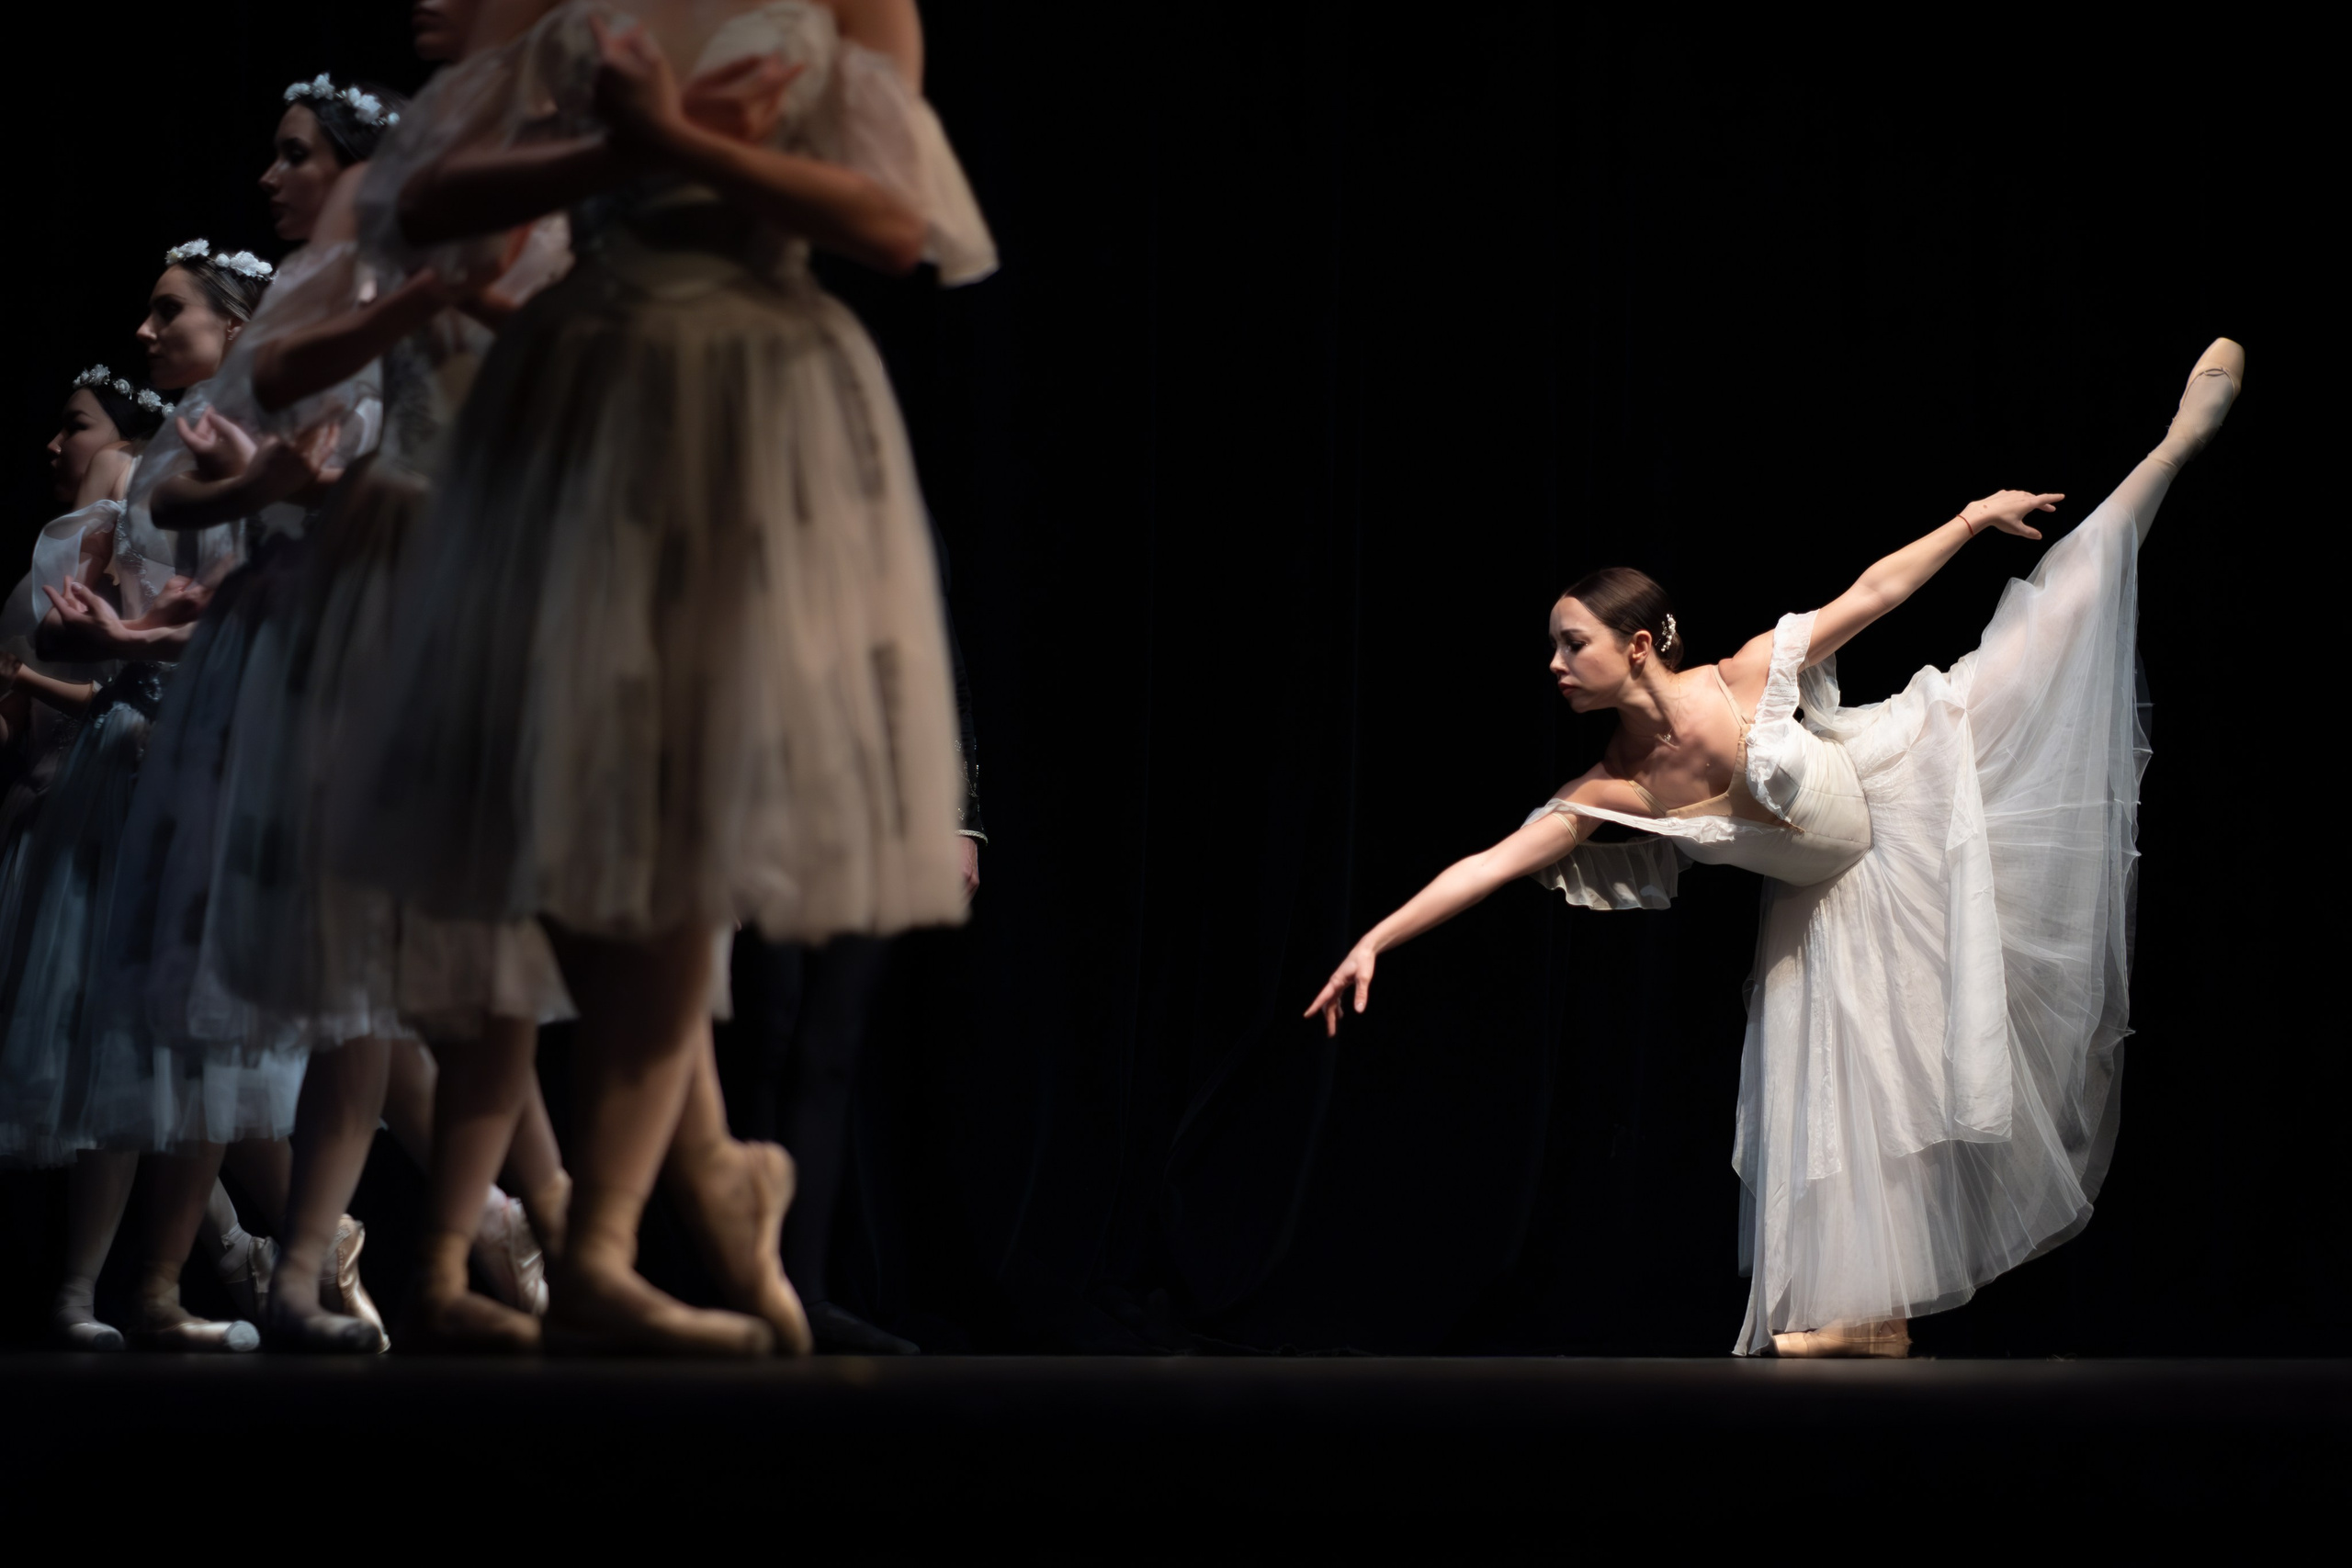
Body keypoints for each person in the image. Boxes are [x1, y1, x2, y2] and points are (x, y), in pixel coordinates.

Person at [1307, 340, 2245, 1357]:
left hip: (1910, 785)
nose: (1553, 665)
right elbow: (1488, 864)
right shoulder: (1607, 792)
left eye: (1568, 642)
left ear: (1635, 645)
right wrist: (1376, 940)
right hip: (1832, 902)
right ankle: (1874, 1320)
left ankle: (2172, 447)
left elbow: (1874, 593)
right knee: (1850, 1106)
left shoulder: (1745, 676)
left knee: (2053, 620)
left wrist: (1975, 518)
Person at [339, 0, 995, 1355]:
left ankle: (604, 1238)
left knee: (686, 807)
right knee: (561, 816)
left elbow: (891, 221)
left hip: (751, 383)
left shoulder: (853, 6)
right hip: (585, 384)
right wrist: (615, 151)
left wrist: (670, 140)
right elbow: (419, 196)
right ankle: (697, 1168)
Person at [0, 252, 277, 1349]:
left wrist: (136, 642)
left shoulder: (263, 442)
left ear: (233, 325)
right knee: (133, 1028)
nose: (148, 327)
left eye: (173, 311)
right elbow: (88, 613)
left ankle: (198, 1273)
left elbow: (263, 603)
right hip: (137, 753)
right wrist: (95, 637)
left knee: (213, 1038)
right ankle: (104, 1288)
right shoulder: (163, 452)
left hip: (216, 748)